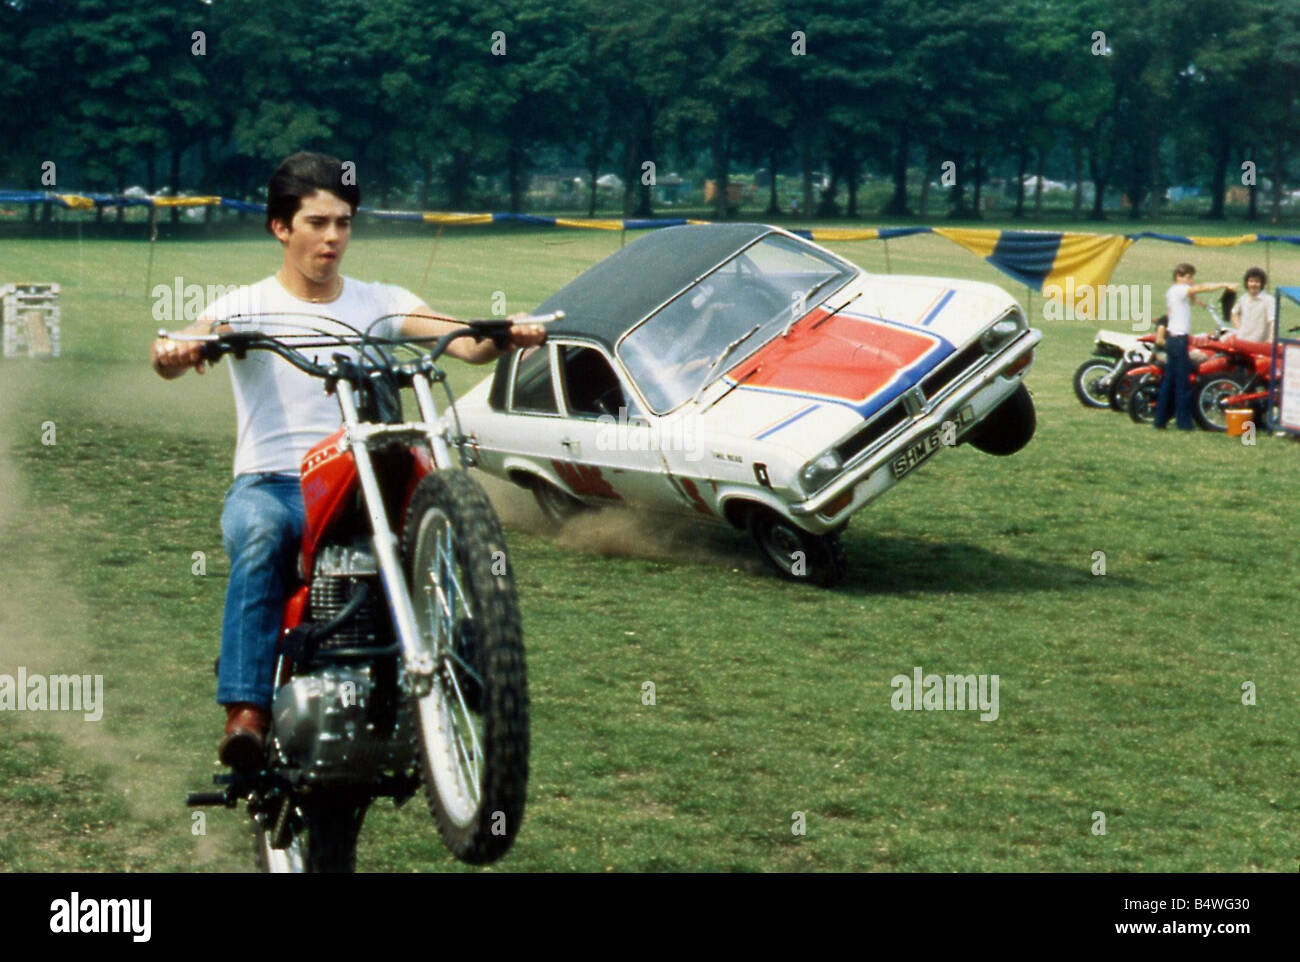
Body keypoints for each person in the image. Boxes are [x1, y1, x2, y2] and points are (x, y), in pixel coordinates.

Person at [149, 152, 545, 768]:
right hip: (275, 483)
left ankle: (477, 655)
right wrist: (176, 350)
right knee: (260, 537)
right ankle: (246, 712)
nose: (333, 237)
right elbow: (187, 341)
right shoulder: (246, 307)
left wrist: (504, 331)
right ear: (281, 228)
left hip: (361, 481)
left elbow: (465, 341)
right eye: (316, 222)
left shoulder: (379, 303)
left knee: (441, 523)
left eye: (344, 223)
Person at [1153, 263, 1236, 431]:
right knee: (1183, 383)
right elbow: (1202, 288)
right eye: (1188, 277)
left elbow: (1192, 298)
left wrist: (1194, 294)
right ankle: (1184, 423)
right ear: (1178, 276)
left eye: (1192, 277)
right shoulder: (1178, 290)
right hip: (1179, 341)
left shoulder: (1174, 292)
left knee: (1169, 382)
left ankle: (1160, 420)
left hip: (1173, 340)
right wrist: (1224, 285)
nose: (1191, 280)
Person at [1229, 266, 1275, 344]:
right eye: (1251, 281)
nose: (1253, 284)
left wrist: (1271, 338)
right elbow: (1234, 313)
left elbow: (1272, 321)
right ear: (1247, 283)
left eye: (1257, 281)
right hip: (1242, 340)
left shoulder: (1268, 300)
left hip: (1259, 344)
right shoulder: (1243, 299)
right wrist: (1239, 330)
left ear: (1261, 284)